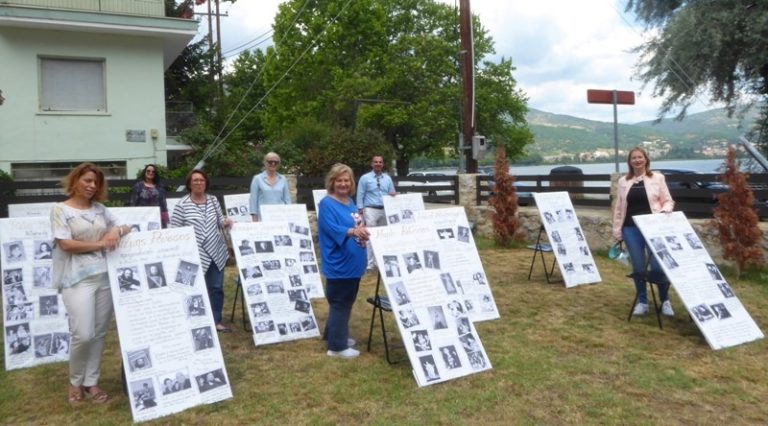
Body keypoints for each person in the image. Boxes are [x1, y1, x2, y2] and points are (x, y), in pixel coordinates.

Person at [51, 162, 131, 404]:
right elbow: (66, 244)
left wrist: (115, 232)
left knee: (98, 334)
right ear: (75, 181)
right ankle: (75, 381)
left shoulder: (100, 209)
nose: (91, 186)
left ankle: (91, 382)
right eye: (87, 180)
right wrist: (100, 244)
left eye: (95, 182)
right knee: (83, 334)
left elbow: (126, 225)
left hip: (103, 278)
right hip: (76, 279)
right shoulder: (60, 210)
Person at [612, 147, 675, 317]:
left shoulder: (657, 178)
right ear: (630, 161)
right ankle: (642, 301)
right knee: (638, 267)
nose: (637, 160)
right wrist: (617, 229)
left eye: (640, 157)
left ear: (646, 160)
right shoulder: (623, 181)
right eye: (634, 158)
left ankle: (665, 300)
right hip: (631, 229)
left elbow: (668, 201)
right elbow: (619, 207)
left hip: (653, 228)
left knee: (657, 266)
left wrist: (664, 212)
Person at [170, 169, 233, 332]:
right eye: (195, 180)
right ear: (189, 184)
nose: (198, 183)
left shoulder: (213, 200)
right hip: (191, 255)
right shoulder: (182, 205)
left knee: (216, 288)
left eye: (201, 180)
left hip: (215, 252)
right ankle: (191, 321)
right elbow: (174, 231)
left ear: (206, 183)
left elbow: (219, 221)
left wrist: (225, 223)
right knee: (189, 289)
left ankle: (216, 320)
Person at [318, 164, 368, 359]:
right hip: (340, 264)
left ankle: (334, 335)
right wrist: (354, 231)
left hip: (353, 263)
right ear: (332, 182)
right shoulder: (327, 204)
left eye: (346, 180)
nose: (343, 184)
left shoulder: (349, 202)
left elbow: (357, 224)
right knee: (340, 302)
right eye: (339, 180)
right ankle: (337, 347)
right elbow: (331, 228)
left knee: (344, 301)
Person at [356, 155, 396, 269]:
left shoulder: (387, 178)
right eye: (375, 162)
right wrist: (360, 209)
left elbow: (392, 192)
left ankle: (380, 262)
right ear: (372, 164)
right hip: (370, 209)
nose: (378, 164)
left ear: (382, 164)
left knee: (382, 235)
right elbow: (360, 194)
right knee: (370, 235)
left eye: (380, 162)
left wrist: (393, 195)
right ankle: (370, 263)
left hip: (384, 209)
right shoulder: (365, 178)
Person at [249, 152, 291, 221]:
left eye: (276, 162)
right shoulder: (257, 178)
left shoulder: (283, 179)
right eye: (270, 161)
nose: (273, 164)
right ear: (265, 163)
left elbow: (287, 199)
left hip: (281, 217)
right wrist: (254, 219)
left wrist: (290, 216)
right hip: (263, 218)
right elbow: (253, 200)